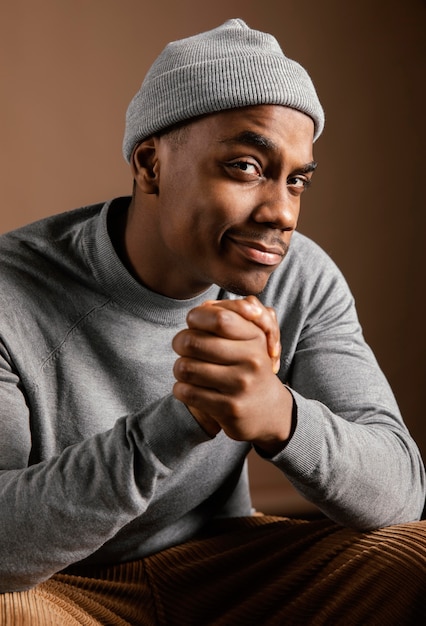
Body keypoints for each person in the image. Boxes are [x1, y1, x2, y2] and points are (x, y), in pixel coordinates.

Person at [0, 17, 424, 625]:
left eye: (297, 180)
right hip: (61, 590)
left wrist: (280, 413)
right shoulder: (9, 293)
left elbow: (400, 490)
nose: (281, 213)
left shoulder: (299, 276)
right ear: (150, 165)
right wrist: (179, 421)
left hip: (230, 571)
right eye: (247, 167)